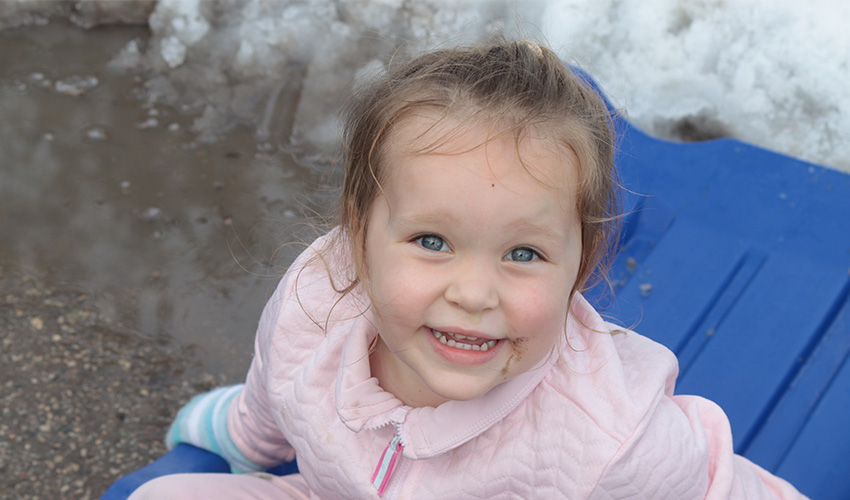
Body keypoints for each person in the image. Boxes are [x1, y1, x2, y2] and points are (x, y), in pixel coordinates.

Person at [128, 40, 806, 499]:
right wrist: (239, 437)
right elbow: (274, 392)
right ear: (360, 235)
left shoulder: (604, 433)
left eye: (523, 254)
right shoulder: (317, 298)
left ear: (580, 265)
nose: (474, 293)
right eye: (431, 240)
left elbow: (717, 481)